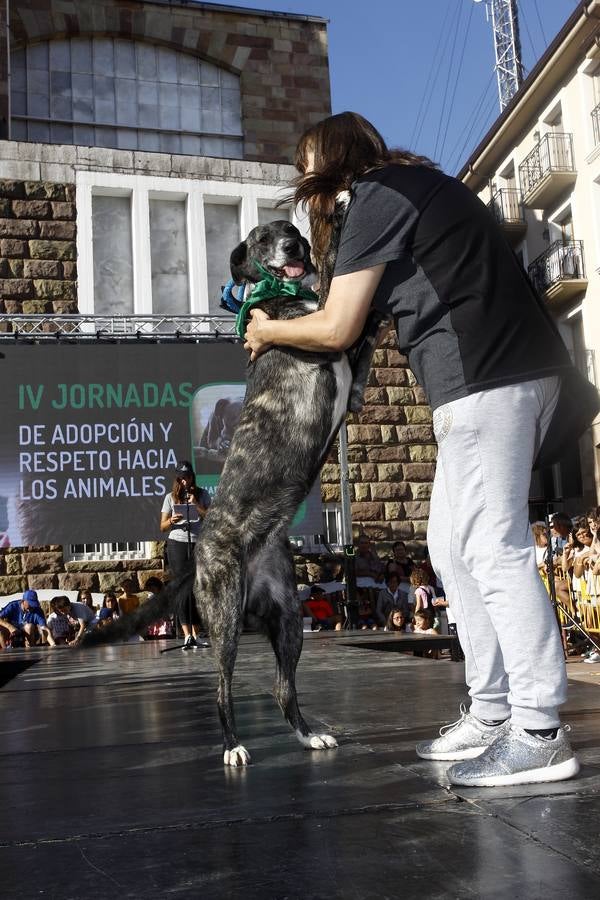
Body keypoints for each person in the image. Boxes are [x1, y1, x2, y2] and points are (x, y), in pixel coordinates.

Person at [242, 111, 598, 786]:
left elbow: (338, 324)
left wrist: (268, 333)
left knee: (492, 543)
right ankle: (494, 710)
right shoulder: (406, 194)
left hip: (488, 376)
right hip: (498, 376)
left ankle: (540, 729)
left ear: (333, 159)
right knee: (450, 545)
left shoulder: (375, 195)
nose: (302, 181)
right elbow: (351, 320)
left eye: (306, 163)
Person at [160, 460, 211, 651]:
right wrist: (172, 520)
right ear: (177, 479)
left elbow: (211, 518)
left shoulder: (202, 494)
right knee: (182, 588)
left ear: (192, 477)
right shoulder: (170, 497)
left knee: (196, 588)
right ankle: (187, 635)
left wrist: (196, 505)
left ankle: (197, 634)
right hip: (177, 543)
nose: (185, 481)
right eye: (181, 478)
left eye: (188, 477)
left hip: (198, 542)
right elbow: (162, 526)